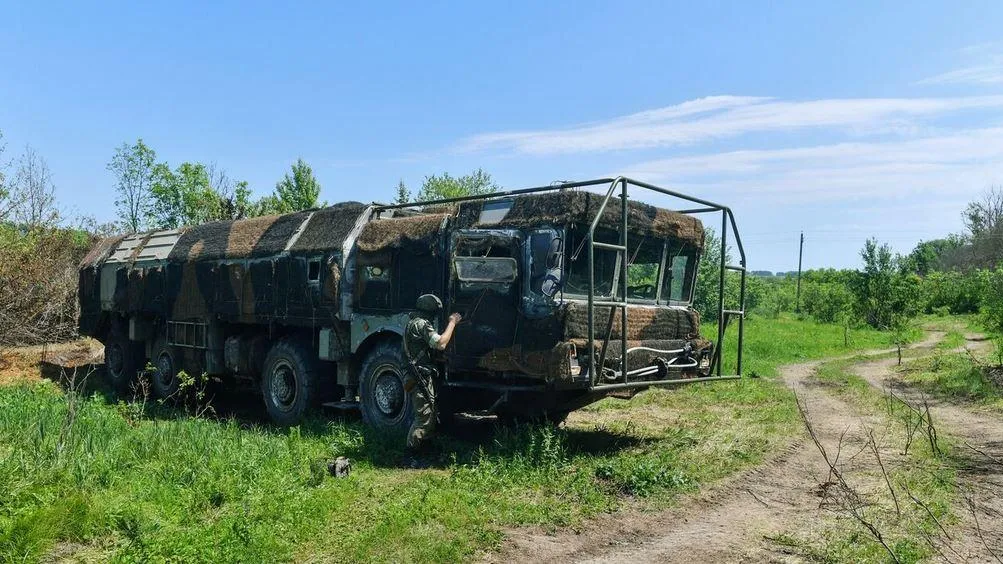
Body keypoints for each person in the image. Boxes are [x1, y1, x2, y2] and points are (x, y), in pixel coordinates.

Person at [403, 293, 461, 452]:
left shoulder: (413, 323)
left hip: (417, 376)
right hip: (419, 377)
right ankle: (411, 454)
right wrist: (452, 322)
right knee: (423, 418)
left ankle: (424, 450)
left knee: (430, 415)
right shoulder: (421, 325)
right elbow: (441, 343)